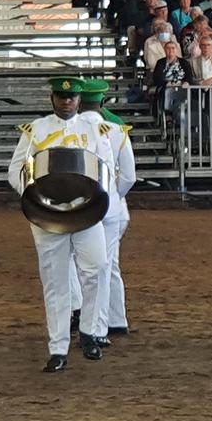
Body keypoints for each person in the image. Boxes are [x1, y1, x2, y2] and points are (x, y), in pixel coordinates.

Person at [4, 77, 115, 373]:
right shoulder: (35, 130)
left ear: (79, 100)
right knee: (55, 282)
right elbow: (15, 170)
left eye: (72, 97)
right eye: (61, 97)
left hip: (85, 209)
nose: (67, 102)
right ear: (52, 98)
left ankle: (90, 332)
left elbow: (106, 168)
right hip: (48, 213)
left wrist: (97, 197)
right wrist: (34, 194)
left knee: (97, 268)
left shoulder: (94, 129)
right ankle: (58, 348)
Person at [79, 79, 136, 338]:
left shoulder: (72, 129)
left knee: (87, 266)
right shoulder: (117, 128)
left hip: (83, 205)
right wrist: (113, 195)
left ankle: (92, 322)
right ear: (102, 101)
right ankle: (116, 319)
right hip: (114, 206)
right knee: (110, 263)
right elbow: (129, 176)